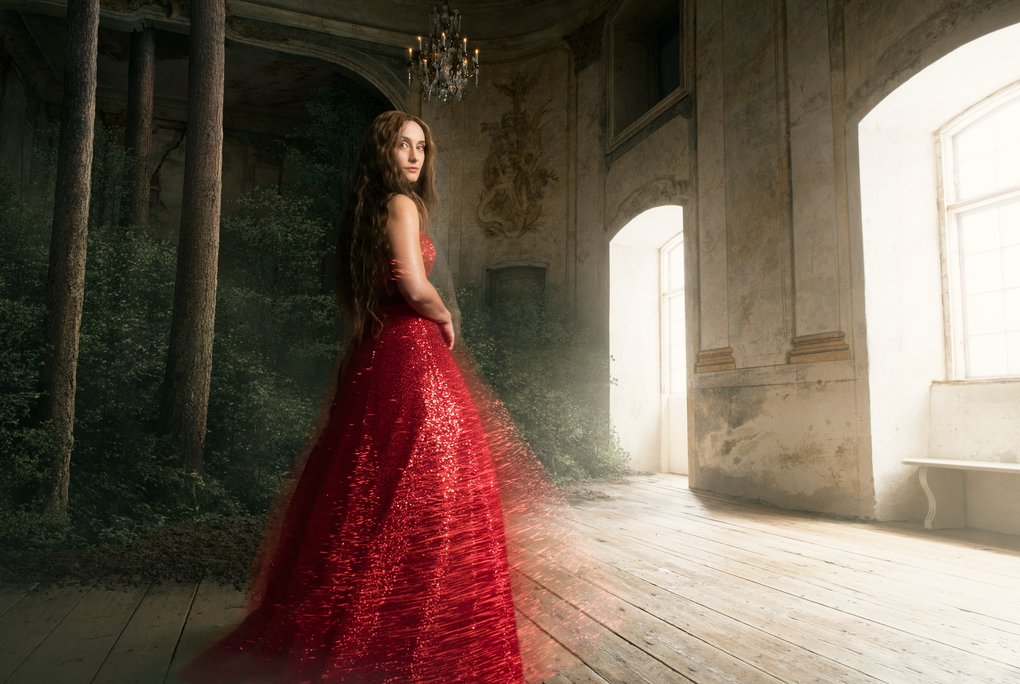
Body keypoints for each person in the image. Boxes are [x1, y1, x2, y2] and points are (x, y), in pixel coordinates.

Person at [178, 111, 576, 683]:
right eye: (403, 145)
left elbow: (369, 297)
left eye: (421, 146)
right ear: (383, 151)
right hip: (411, 353)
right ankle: (423, 635)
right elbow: (413, 284)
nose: (415, 156)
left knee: (370, 490)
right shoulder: (401, 205)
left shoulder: (364, 215)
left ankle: (380, 623)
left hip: (377, 353)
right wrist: (445, 315)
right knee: (439, 486)